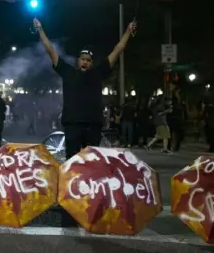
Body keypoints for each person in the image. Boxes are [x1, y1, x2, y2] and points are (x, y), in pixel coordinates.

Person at [33, 18, 137, 159]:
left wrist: (129, 31)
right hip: (73, 125)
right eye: (83, 59)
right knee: (72, 161)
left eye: (88, 60)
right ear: (78, 60)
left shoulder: (98, 73)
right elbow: (50, 49)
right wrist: (40, 29)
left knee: (91, 162)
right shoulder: (68, 71)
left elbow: (117, 50)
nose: (85, 62)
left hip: (93, 125)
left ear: (92, 63)